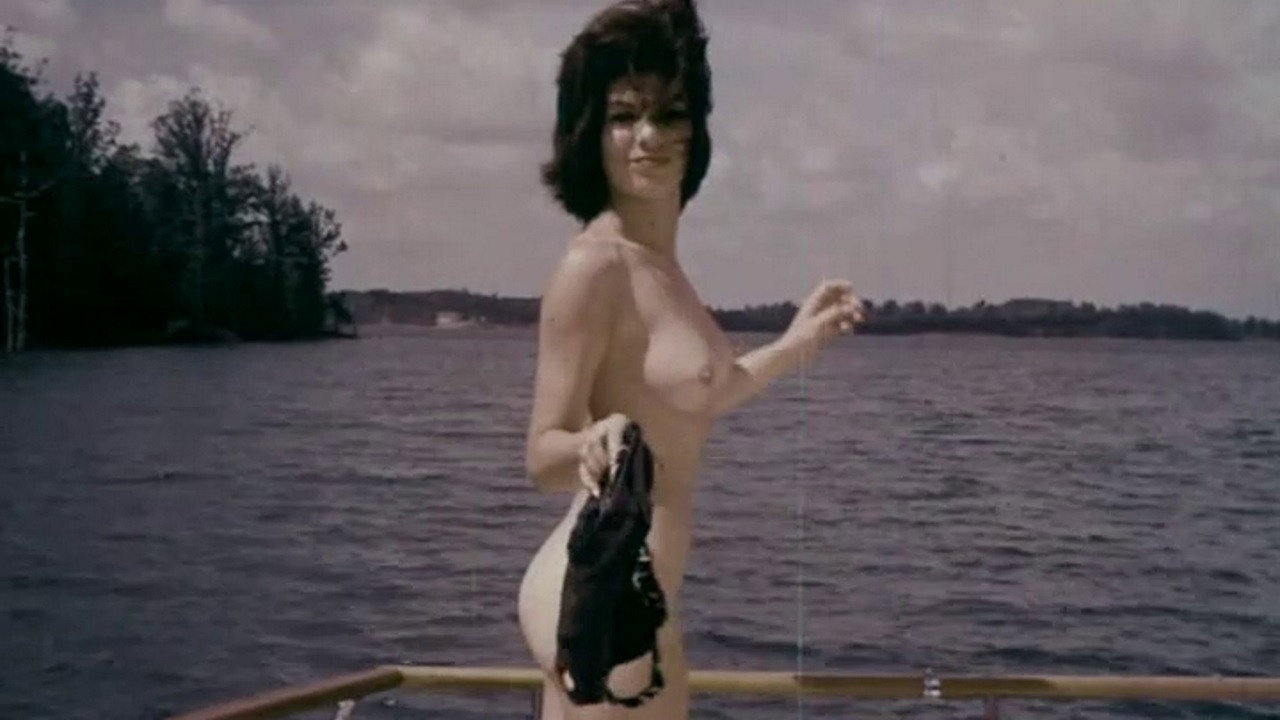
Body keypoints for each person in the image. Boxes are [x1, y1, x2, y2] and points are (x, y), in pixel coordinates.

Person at [516, 1, 864, 718]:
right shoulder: (593, 267)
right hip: (594, 596)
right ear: (591, 133)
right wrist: (591, 441)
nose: (648, 136)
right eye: (623, 116)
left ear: (695, 130)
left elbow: (705, 394)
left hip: (646, 603)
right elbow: (542, 454)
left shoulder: (664, 271)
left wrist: (797, 343)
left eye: (670, 113)